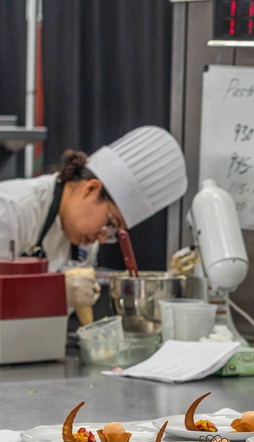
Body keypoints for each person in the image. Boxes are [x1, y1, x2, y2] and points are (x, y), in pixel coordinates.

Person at [0, 125, 188, 313]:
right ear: (91, 189)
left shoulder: (86, 244)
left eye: (114, 231)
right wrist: (53, 291)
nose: (103, 238)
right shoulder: (11, 209)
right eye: (110, 223)